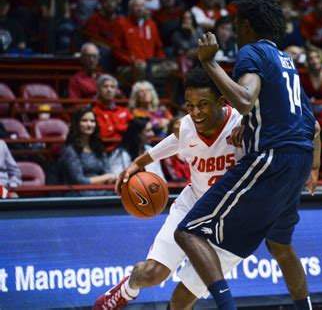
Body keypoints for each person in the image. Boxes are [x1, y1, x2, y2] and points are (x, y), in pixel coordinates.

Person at [174, 0, 319, 310]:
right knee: (280, 244)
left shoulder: (251, 52)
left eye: (238, 25)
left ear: (247, 25)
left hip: (272, 158)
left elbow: (244, 99)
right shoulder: (286, 61)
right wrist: (313, 169)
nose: (236, 31)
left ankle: (227, 307)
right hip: (300, 157)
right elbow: (314, 126)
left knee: (187, 231)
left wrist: (209, 62)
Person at [94, 67, 245, 309]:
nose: (195, 112)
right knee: (152, 274)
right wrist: (138, 163)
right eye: (189, 105)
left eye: (203, 104)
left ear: (221, 101)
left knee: (182, 299)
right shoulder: (186, 126)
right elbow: (167, 146)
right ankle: (126, 288)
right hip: (192, 206)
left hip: (227, 221)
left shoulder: (241, 124)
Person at [58, 107, 115, 196]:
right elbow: (79, 180)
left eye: (92, 121)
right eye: (84, 121)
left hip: (102, 190)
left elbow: (108, 171)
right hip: (78, 194)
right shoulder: (70, 150)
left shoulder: (98, 147)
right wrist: (106, 178)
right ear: (77, 123)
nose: (89, 124)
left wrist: (108, 178)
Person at [111, 0, 165, 82]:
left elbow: (158, 47)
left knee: (173, 66)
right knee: (141, 68)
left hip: (150, 65)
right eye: (136, 6)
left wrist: (162, 61)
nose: (139, 8)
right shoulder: (121, 24)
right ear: (130, 9)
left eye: (142, 6)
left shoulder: (151, 25)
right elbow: (116, 50)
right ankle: (143, 92)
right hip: (129, 66)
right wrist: (132, 61)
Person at [92, 74, 133, 148]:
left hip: (123, 149)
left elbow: (133, 130)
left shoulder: (124, 111)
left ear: (116, 91)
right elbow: (103, 133)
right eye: (105, 86)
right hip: (99, 148)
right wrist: (120, 128)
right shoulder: (93, 111)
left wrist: (113, 128)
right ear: (98, 90)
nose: (109, 90)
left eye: (112, 87)